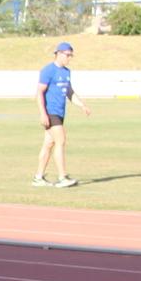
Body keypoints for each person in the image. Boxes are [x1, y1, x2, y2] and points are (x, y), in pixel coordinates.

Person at [34, 40, 90, 188]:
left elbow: (69, 92)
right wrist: (43, 113)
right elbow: (39, 93)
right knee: (61, 140)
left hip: (60, 113)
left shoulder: (66, 72)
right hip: (50, 112)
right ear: (58, 54)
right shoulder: (48, 70)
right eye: (67, 55)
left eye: (71, 55)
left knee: (48, 144)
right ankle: (62, 177)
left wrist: (82, 105)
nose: (69, 58)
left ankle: (38, 177)